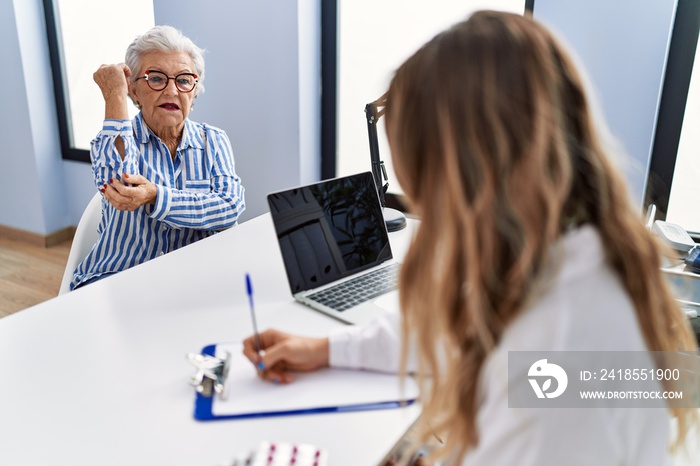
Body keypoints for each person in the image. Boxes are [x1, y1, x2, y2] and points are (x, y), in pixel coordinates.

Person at [242, 11, 698, 465]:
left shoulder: (563, 338)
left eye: (425, 192)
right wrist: (324, 349)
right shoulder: (570, 257)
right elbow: (453, 328)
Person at [70, 25, 245, 290]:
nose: (172, 91)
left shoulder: (214, 141)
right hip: (117, 279)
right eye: (156, 78)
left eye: (184, 80)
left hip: (190, 283)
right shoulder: (112, 141)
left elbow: (229, 208)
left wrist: (156, 196)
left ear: (195, 90)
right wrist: (115, 94)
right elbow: (122, 192)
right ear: (134, 90)